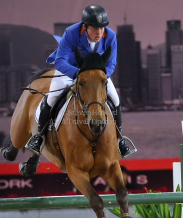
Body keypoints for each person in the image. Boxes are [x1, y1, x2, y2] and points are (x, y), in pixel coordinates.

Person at [26, 4, 130, 157]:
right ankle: (38, 136)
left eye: (102, 28)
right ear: (85, 26)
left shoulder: (111, 36)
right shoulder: (71, 33)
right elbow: (60, 61)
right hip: (69, 71)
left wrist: (99, 77)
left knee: (115, 99)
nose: (99, 32)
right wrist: (78, 74)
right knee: (52, 98)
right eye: (95, 28)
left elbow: (111, 64)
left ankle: (120, 139)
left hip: (97, 76)